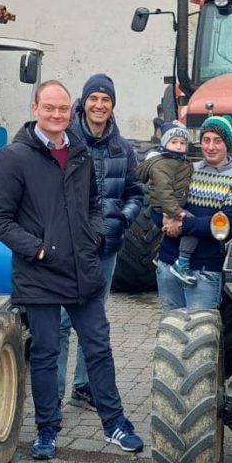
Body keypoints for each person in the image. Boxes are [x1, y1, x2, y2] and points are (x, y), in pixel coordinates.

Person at [0, 80, 143, 460]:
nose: (56, 115)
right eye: (49, 108)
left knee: (99, 347)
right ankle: (46, 429)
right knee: (45, 352)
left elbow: (92, 202)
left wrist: (94, 237)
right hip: (38, 274)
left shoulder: (80, 153)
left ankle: (114, 422)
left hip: (82, 268)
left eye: (61, 108)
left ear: (69, 109)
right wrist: (37, 249)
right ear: (35, 108)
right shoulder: (14, 157)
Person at [56, 74, 144, 412]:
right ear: (84, 102)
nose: (99, 105)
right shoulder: (65, 143)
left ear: (112, 106)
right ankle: (53, 391)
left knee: (92, 319)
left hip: (105, 248)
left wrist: (122, 218)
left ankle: (84, 386)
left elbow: (137, 192)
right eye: (94, 98)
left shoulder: (122, 149)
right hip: (68, 248)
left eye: (106, 100)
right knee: (63, 320)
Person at [154, 114, 232, 313]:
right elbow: (157, 204)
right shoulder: (186, 169)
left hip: (204, 271)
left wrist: (180, 226)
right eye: (206, 140)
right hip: (167, 266)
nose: (211, 147)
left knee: (200, 335)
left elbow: (223, 226)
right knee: (170, 331)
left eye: (218, 141)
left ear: (227, 144)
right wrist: (163, 219)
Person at [138, 120, 197, 285]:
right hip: (163, 209)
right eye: (174, 142)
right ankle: (183, 263)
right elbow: (164, 191)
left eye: (183, 143)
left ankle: (160, 256)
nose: (178, 146)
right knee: (192, 226)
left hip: (170, 206)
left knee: (174, 233)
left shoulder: (179, 161)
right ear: (164, 143)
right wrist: (175, 212)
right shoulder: (162, 165)